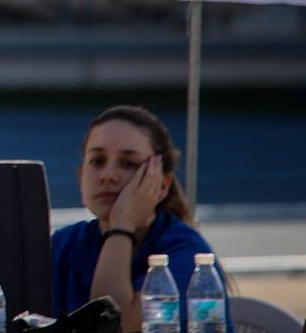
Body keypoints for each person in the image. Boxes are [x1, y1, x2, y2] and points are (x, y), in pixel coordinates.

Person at [51, 105, 232, 331]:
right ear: (81, 177)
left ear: (162, 184)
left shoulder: (188, 254)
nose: (108, 175)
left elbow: (113, 324)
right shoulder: (63, 244)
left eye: (128, 163)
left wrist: (121, 226)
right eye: (97, 161)